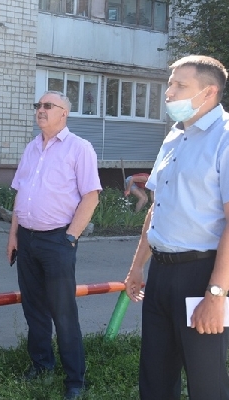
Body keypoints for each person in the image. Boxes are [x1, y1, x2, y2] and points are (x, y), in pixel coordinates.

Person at [124, 55, 229, 399]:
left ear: (209, 92)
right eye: (170, 83)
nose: (169, 92)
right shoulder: (174, 136)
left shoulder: (225, 138)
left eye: (180, 85)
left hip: (202, 274)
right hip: (161, 273)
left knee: (206, 381)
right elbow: (158, 207)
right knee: (155, 375)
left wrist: (216, 294)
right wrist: (137, 266)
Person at [7, 91, 101, 399]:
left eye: (48, 106)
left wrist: (71, 237)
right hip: (27, 240)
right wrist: (13, 236)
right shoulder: (32, 147)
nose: (41, 110)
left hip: (58, 240)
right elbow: (20, 194)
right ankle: (41, 364)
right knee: (33, 307)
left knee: (63, 311)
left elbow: (91, 197)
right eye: (38, 105)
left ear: (64, 113)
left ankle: (75, 379)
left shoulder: (79, 148)